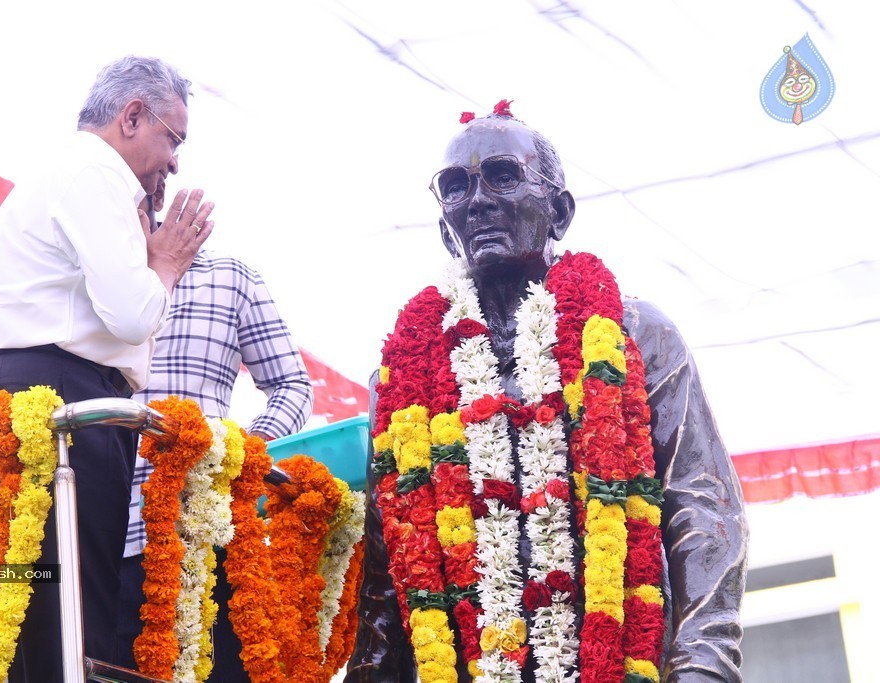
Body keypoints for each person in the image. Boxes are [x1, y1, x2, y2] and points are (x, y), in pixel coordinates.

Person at [344, 104, 748, 682]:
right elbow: (387, 571)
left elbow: (703, 507)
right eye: (455, 188)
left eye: (502, 175)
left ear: (559, 211)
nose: (478, 200)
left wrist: (702, 665)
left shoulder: (634, 334)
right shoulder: (406, 376)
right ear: (444, 230)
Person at [0, 55, 215, 682]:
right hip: (61, 396)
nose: (176, 160)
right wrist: (165, 265)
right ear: (133, 116)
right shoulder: (96, 172)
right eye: (173, 138)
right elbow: (132, 317)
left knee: (31, 605)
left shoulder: (70, 172)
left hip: (36, 390)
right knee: (67, 608)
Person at [115, 181, 314, 680]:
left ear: (151, 204)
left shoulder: (228, 277)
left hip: (204, 521)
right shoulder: (92, 279)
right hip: (99, 526)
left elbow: (291, 385)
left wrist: (240, 456)